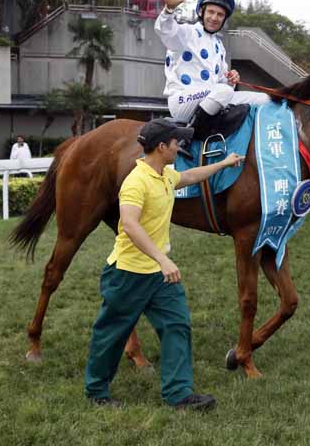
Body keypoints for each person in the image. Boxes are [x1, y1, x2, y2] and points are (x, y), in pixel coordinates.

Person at [84, 117, 245, 410]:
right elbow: (130, 225)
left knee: (177, 325)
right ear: (161, 147)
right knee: (111, 334)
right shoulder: (136, 182)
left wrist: (224, 164)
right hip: (127, 274)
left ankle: (179, 394)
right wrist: (162, 258)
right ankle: (96, 391)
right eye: (175, 142)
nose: (179, 146)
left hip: (159, 276)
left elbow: (190, 176)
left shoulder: (165, 175)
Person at [155, 0, 270, 154]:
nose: (214, 18)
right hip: (182, 100)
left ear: (224, 19)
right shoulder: (186, 33)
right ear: (201, 12)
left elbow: (223, 85)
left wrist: (231, 79)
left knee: (264, 100)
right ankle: (186, 139)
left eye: (220, 14)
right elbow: (165, 30)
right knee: (222, 91)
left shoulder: (219, 46)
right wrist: (169, 9)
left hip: (209, 98)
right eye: (211, 12)